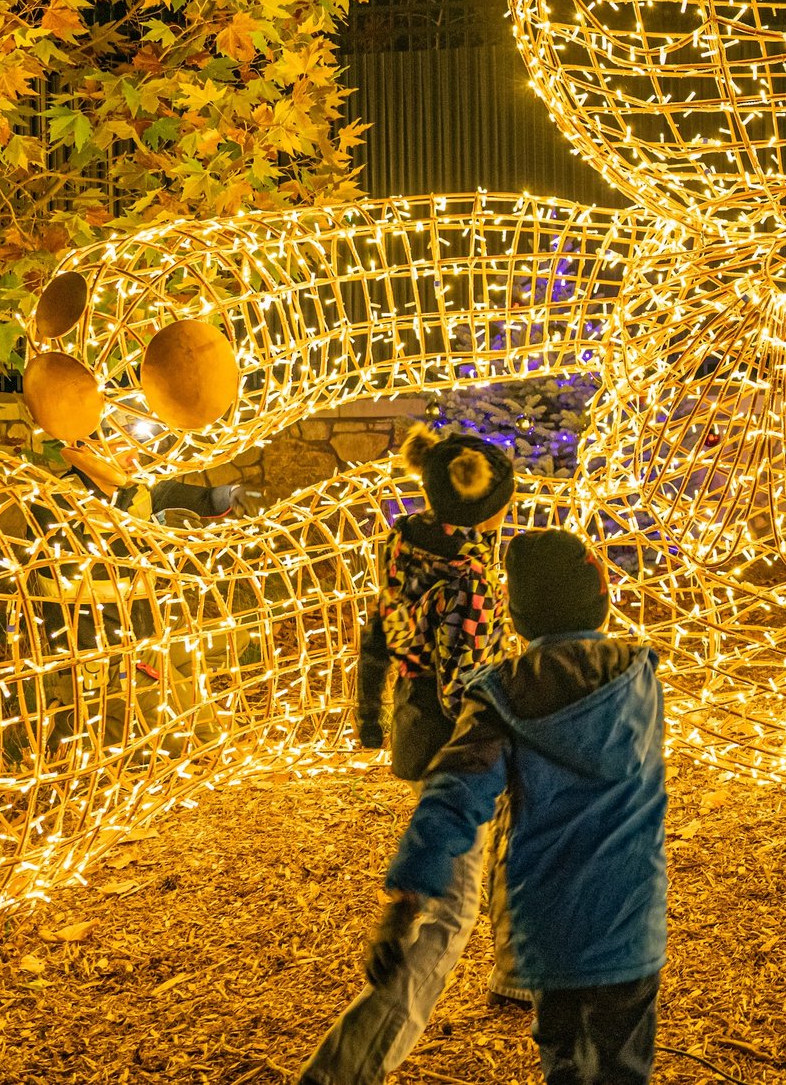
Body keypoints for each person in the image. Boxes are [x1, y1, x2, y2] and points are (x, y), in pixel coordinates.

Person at [368, 529, 667, 1085]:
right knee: (625, 1067)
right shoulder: (640, 676)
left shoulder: (500, 697)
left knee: (566, 1066)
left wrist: (404, 902)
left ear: (518, 614)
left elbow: (452, 799)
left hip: (550, 929)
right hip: (632, 921)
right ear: (601, 598)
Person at [298, 428, 522, 1085]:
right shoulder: (474, 578)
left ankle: (519, 974)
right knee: (448, 911)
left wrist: (372, 716)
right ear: (485, 502)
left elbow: (377, 632)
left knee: (508, 839)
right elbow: (467, 685)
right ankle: (347, 1067)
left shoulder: (401, 541)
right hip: (458, 742)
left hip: (412, 720)